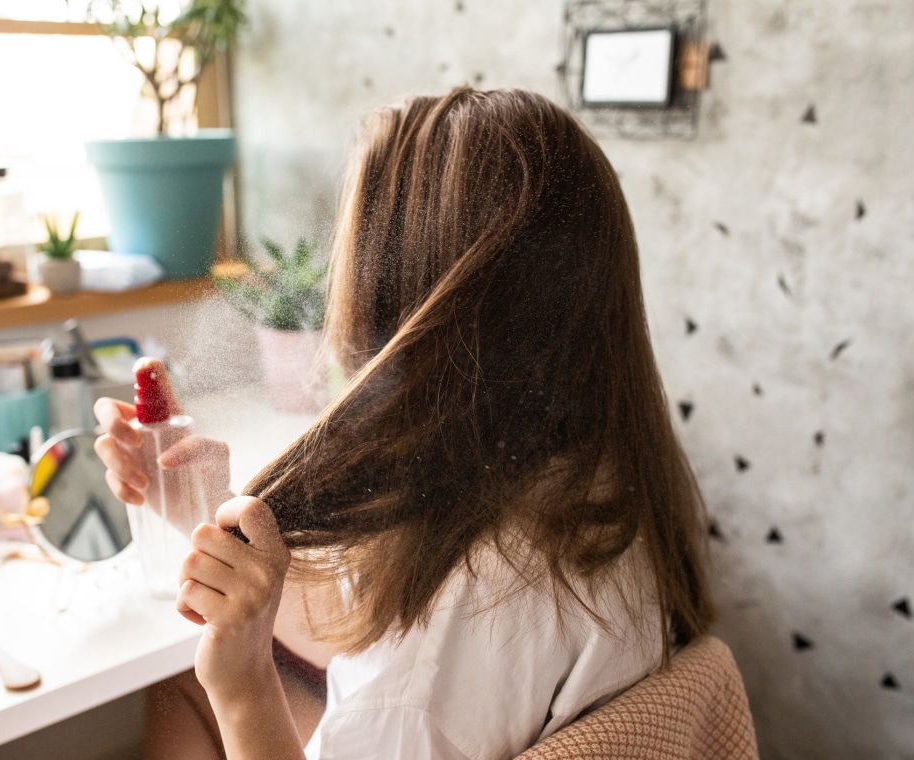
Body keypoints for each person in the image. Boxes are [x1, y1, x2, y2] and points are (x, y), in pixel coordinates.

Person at [94, 86, 716, 760]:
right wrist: (204, 516)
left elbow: (408, 659)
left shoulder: (435, 653)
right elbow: (371, 617)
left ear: (403, 299)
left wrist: (242, 686)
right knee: (180, 690)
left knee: (195, 688)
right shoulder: (592, 484)